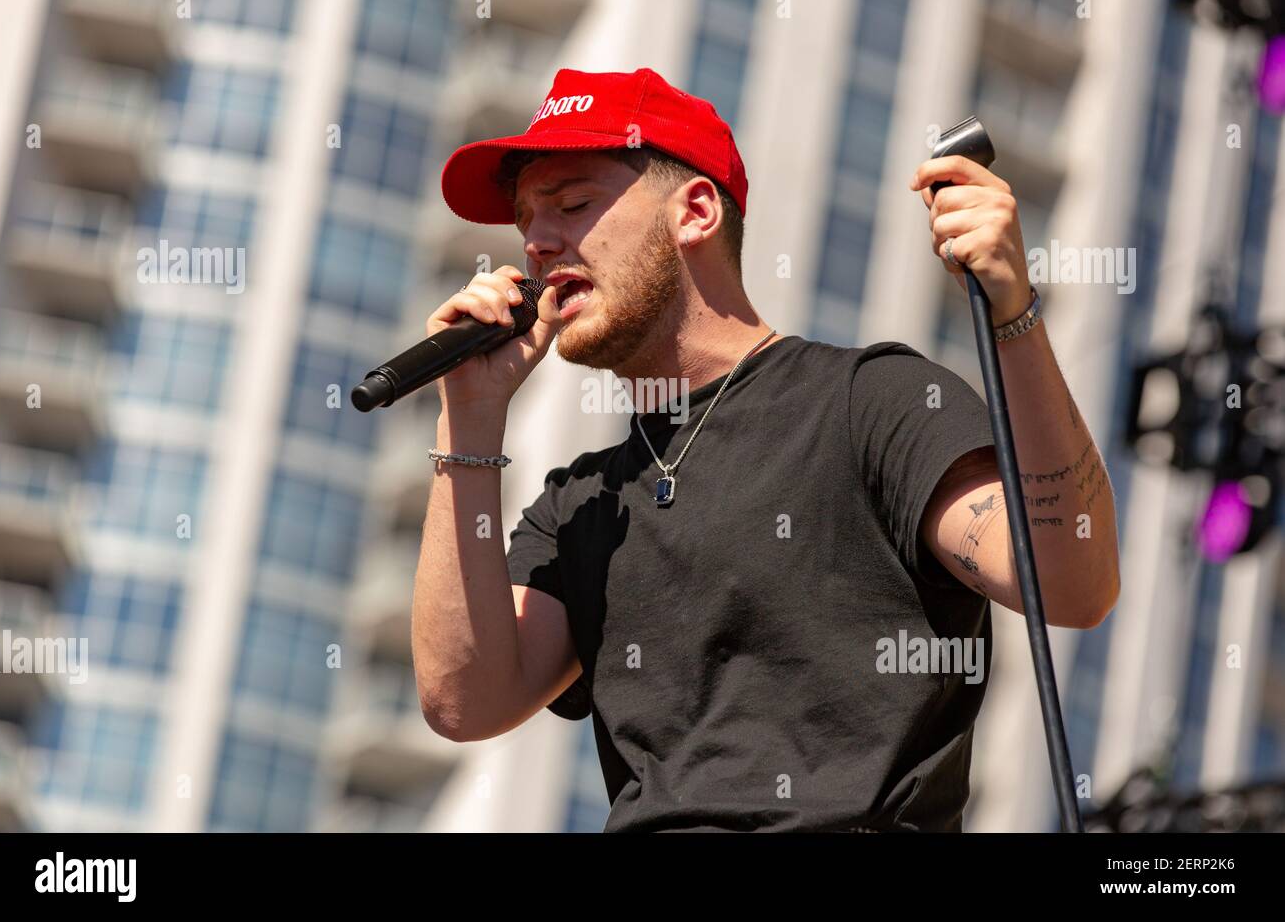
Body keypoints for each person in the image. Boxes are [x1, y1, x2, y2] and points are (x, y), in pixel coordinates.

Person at [412, 67, 1121, 832]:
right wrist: (469, 419)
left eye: (573, 204)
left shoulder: (871, 403)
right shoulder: (582, 503)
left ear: (695, 211)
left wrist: (1012, 310)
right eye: (525, 222)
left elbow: (1069, 582)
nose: (538, 244)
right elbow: (464, 701)